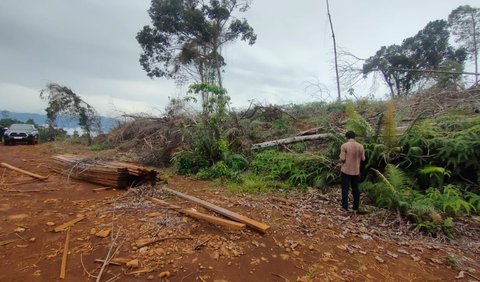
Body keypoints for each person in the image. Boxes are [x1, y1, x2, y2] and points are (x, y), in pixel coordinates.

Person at [339, 130, 365, 212]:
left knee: (345, 189)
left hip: (346, 170)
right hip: (356, 171)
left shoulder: (344, 146)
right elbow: (363, 159)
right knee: (355, 189)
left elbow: (342, 159)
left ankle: (345, 207)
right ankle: (355, 207)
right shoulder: (361, 146)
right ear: (354, 137)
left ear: (347, 137)